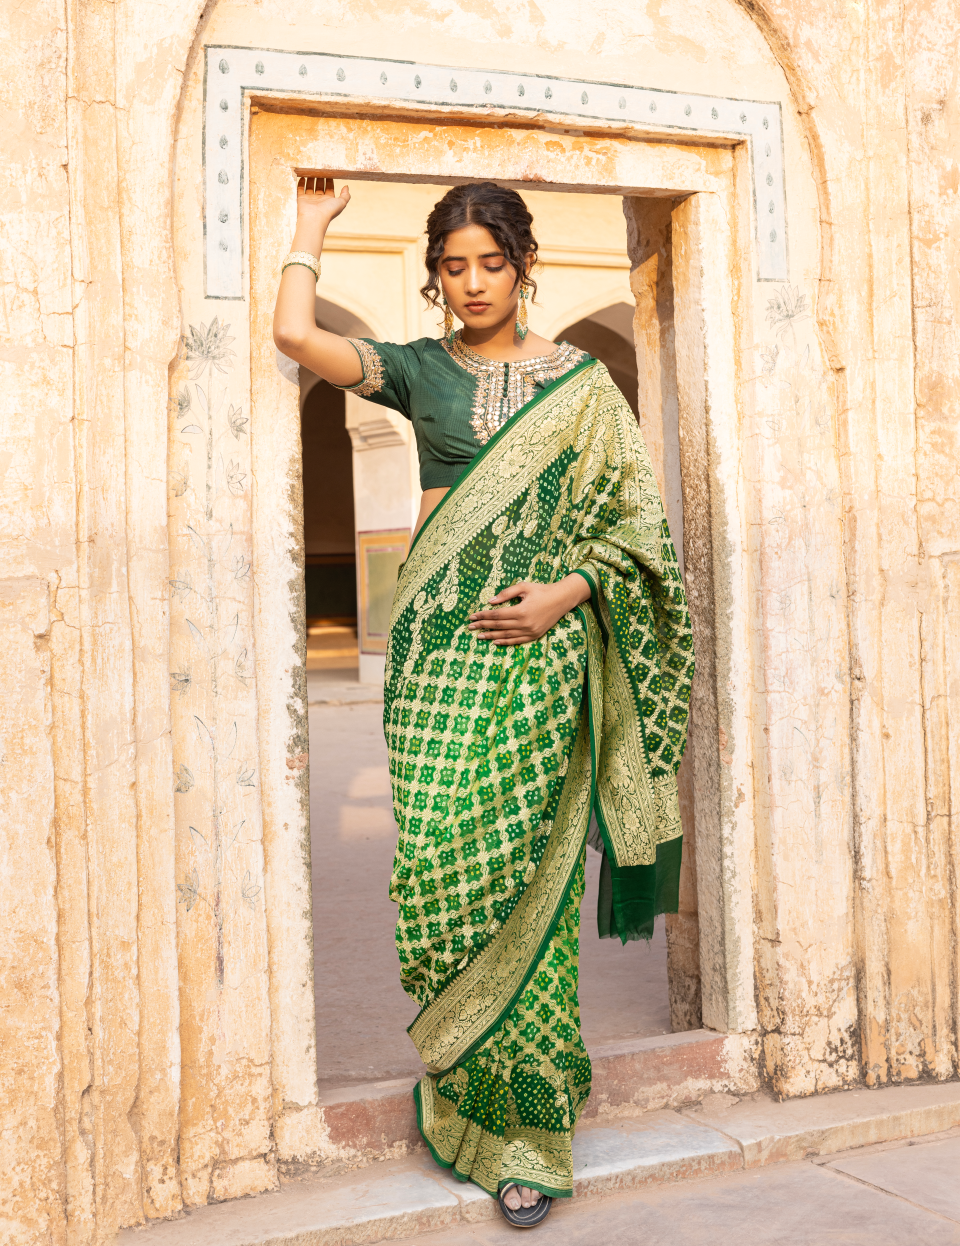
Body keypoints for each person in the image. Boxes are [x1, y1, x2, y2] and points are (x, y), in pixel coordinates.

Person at [274, 178, 694, 1228]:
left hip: (540, 658)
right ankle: (461, 1087)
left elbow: (639, 530)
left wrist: (564, 591)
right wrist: (311, 229)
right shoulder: (417, 370)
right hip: (434, 658)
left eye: (489, 263)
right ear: (436, 273)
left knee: (529, 882)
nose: (471, 284)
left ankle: (530, 1132)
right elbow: (292, 331)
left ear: (521, 263)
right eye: (452, 266)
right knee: (443, 870)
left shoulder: (583, 385)